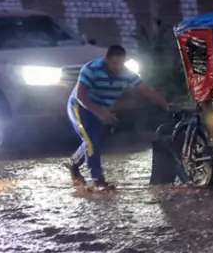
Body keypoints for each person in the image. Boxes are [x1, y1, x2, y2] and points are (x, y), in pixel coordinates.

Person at [64, 45, 171, 190]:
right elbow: (81, 96)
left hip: (101, 108)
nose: (117, 68)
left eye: (120, 64)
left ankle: (73, 163)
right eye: (114, 63)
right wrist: (100, 113)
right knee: (92, 141)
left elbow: (146, 91)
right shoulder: (91, 69)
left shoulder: (127, 73)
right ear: (107, 60)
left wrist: (166, 105)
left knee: (95, 139)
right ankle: (97, 180)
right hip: (80, 107)